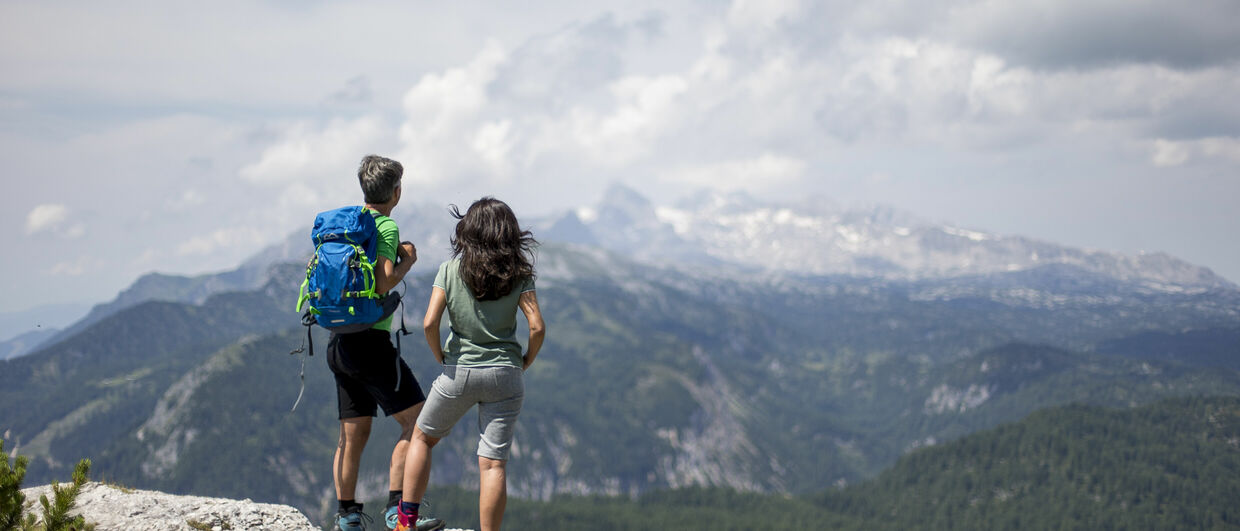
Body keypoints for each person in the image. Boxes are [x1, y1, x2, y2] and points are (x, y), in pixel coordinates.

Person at [395, 197, 546, 531]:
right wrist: (523, 362)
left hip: (458, 371)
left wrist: (440, 357)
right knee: (493, 464)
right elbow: (537, 327)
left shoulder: (450, 270)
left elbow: (430, 323)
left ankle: (406, 523)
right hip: (506, 375)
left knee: (421, 438)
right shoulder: (519, 274)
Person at [327, 155, 445, 531]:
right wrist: (407, 259)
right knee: (419, 422)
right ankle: (398, 511)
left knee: (353, 433)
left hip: (338, 343)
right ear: (397, 191)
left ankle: (347, 518)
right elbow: (382, 282)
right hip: (370, 345)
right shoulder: (385, 227)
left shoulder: (345, 226)